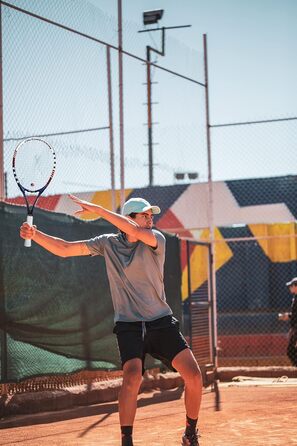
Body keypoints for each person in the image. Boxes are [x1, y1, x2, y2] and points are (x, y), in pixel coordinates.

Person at [20, 195, 202, 446]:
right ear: (130, 217)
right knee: (132, 376)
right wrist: (35, 234)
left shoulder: (155, 239)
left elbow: (134, 231)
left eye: (151, 215)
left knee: (194, 376)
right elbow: (65, 250)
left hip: (160, 320)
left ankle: (190, 433)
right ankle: (126, 440)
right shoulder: (108, 244)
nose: (151, 219)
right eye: (145, 215)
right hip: (129, 325)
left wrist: (98, 209)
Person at [278, 277, 297, 366]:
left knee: (291, 352)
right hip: (295, 327)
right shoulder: (295, 297)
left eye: (291, 285)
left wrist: (288, 316)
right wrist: (288, 316)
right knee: (291, 351)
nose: (290, 287)